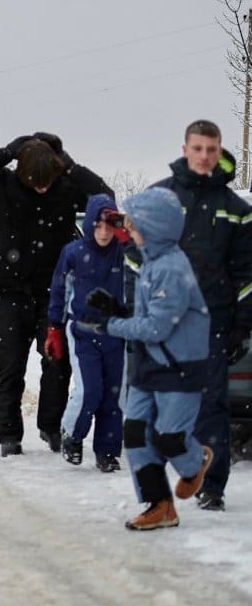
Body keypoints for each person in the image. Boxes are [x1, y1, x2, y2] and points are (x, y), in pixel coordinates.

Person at [0, 132, 113, 457]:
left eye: (47, 182)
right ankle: (9, 437)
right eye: (35, 183)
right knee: (9, 369)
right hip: (10, 295)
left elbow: (103, 196)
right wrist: (8, 151)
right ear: (22, 173)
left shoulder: (65, 188)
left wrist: (66, 162)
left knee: (57, 363)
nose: (42, 188)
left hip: (52, 296)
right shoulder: (3, 184)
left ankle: (50, 426)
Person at [84, 187, 213, 530]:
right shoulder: (151, 261)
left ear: (155, 227)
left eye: (134, 224)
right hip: (150, 361)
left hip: (179, 366)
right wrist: (118, 310)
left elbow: (158, 327)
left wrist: (110, 325)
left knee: (170, 437)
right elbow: (151, 315)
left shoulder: (171, 268)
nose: (128, 229)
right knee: (137, 432)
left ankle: (195, 461)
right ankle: (160, 505)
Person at [146, 119, 252, 511]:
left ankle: (212, 486)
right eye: (198, 148)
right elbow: (136, 260)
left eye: (211, 149)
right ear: (185, 149)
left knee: (211, 408)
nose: (204, 156)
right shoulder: (159, 198)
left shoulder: (236, 210)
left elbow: (247, 274)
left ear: (219, 150)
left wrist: (241, 325)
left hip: (213, 326)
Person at [46, 193, 127, 471]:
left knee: (113, 395)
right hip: (82, 332)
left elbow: (146, 257)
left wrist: (127, 236)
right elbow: (59, 291)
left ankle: (107, 451)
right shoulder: (73, 253)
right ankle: (72, 434)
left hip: (116, 332)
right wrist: (54, 327)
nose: (104, 233)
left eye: (109, 226)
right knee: (90, 390)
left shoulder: (123, 251)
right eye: (98, 226)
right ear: (90, 224)